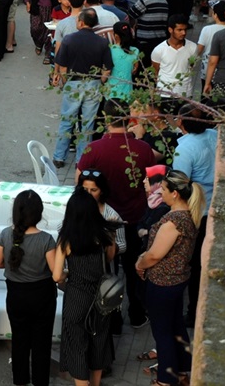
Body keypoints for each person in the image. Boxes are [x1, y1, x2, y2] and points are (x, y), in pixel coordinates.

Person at [77, 99, 157, 328]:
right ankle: (137, 314)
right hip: (134, 218)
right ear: (129, 119)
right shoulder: (142, 149)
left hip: (103, 222)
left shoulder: (94, 148)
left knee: (106, 271)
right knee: (135, 269)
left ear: (105, 119)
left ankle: (112, 322)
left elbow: (79, 182)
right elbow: (152, 182)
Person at [136, 170, 204, 386]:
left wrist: (140, 263)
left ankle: (166, 379)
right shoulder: (191, 214)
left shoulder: (173, 222)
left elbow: (155, 255)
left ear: (175, 193)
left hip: (163, 283)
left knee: (162, 332)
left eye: (164, 189)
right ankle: (184, 369)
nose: (160, 192)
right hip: (178, 280)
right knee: (176, 327)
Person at [52, 188, 118, 386]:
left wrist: (70, 273)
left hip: (76, 298)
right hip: (101, 298)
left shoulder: (66, 240)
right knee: (99, 341)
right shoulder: (105, 235)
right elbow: (109, 260)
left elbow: (56, 276)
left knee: (77, 344)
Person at [0, 190, 57, 386]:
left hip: (16, 295)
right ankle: (40, 381)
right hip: (42, 296)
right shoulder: (46, 240)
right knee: (41, 343)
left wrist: (10, 268)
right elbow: (55, 272)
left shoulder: (6, 235)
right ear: (39, 213)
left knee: (19, 340)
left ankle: (20, 381)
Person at [52, 9, 113, 166]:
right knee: (88, 123)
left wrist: (65, 82)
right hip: (93, 84)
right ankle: (82, 159)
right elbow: (107, 68)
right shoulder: (102, 42)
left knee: (67, 121)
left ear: (80, 22)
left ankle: (59, 157)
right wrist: (101, 81)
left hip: (73, 82)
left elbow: (63, 66)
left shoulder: (69, 40)